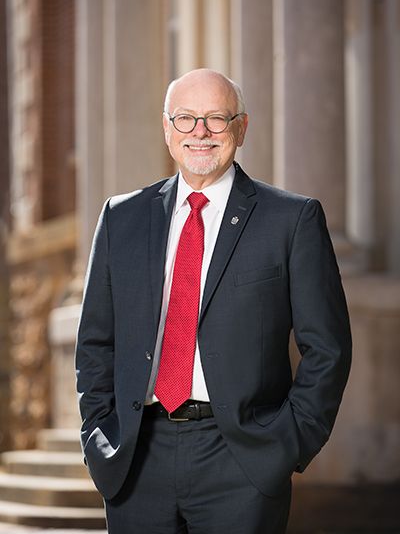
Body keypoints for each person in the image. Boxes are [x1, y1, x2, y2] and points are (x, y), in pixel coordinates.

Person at [75, 68, 352, 534]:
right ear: (167, 129)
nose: (200, 132)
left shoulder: (292, 220)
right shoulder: (120, 218)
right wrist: (100, 433)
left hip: (242, 461)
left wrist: (288, 444)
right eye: (186, 119)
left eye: (216, 119)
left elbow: (328, 348)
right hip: (137, 459)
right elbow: (96, 343)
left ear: (241, 128)